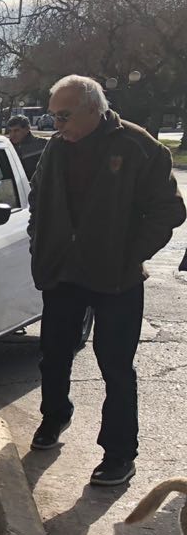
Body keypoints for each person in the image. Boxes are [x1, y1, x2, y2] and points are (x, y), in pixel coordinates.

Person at [27, 74, 186, 486]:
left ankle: (119, 454)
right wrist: (40, 245)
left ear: (93, 110)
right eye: (53, 116)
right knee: (53, 354)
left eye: (64, 116)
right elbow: (37, 199)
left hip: (117, 280)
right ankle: (54, 416)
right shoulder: (56, 147)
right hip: (63, 272)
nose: (56, 124)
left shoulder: (138, 146)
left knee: (115, 367)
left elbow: (169, 211)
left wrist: (128, 256)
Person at [6, 115, 45, 179]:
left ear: (27, 129)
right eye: (10, 131)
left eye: (16, 130)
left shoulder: (42, 145)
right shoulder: (7, 147)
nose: (12, 134)